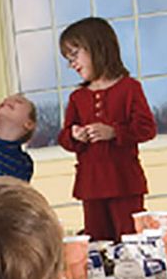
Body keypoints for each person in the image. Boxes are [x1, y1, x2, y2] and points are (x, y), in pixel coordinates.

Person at [56, 16, 158, 244]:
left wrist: (114, 132)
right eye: (68, 59)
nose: (72, 64)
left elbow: (147, 128)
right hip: (90, 185)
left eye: (74, 55)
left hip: (125, 182)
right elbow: (64, 138)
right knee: (98, 245)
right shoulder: (77, 97)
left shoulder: (130, 88)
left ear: (97, 47)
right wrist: (75, 135)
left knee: (131, 241)